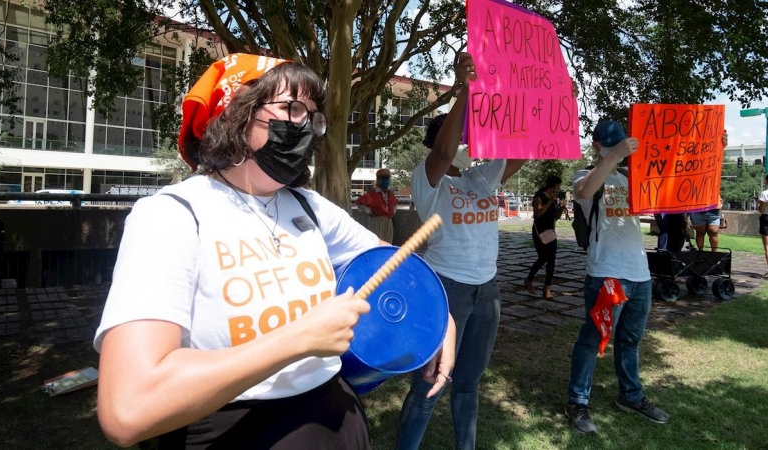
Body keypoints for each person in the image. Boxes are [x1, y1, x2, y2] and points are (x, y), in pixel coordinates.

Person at [93, 53, 456, 449]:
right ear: (237, 111)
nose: (306, 127)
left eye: (313, 117)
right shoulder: (173, 215)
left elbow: (390, 260)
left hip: (340, 420)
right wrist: (297, 339)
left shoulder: (307, 206)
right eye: (291, 108)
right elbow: (128, 407)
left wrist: (441, 317)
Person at [395, 52, 526, 450]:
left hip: (486, 292)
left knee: (468, 385)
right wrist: (465, 91)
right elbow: (442, 155)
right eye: (457, 133)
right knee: (429, 385)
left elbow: (521, 153)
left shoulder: (479, 177)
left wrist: (549, 105)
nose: (464, 141)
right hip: (446, 289)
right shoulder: (427, 178)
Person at [565, 120, 669, 435]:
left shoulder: (628, 177)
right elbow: (584, 192)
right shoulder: (585, 176)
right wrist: (614, 156)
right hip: (608, 275)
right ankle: (577, 401)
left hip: (640, 275)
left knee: (630, 340)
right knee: (593, 339)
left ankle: (631, 395)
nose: (620, 148)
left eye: (621, 142)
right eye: (612, 143)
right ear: (598, 146)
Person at [524, 175, 566, 299]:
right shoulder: (540, 197)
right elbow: (538, 213)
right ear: (553, 185)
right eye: (558, 186)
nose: (558, 189)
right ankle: (529, 279)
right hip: (539, 231)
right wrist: (550, 202)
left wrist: (562, 207)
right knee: (543, 258)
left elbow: (556, 217)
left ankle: (547, 287)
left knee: (552, 259)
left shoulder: (554, 198)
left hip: (550, 231)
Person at [688, 132, 729, 252]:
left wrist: (722, 145)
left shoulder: (712, 167)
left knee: (714, 231)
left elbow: (717, 158)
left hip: (712, 206)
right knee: (700, 232)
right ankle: (700, 253)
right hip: (696, 206)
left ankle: (714, 254)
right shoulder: (691, 167)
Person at [355, 168, 398, 243]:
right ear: (379, 180)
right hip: (377, 221)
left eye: (388, 178)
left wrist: (392, 212)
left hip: (388, 221)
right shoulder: (372, 194)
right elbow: (359, 202)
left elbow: (395, 204)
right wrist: (369, 211)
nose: (386, 180)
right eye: (384, 178)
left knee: (388, 244)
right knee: (377, 243)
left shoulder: (390, 193)